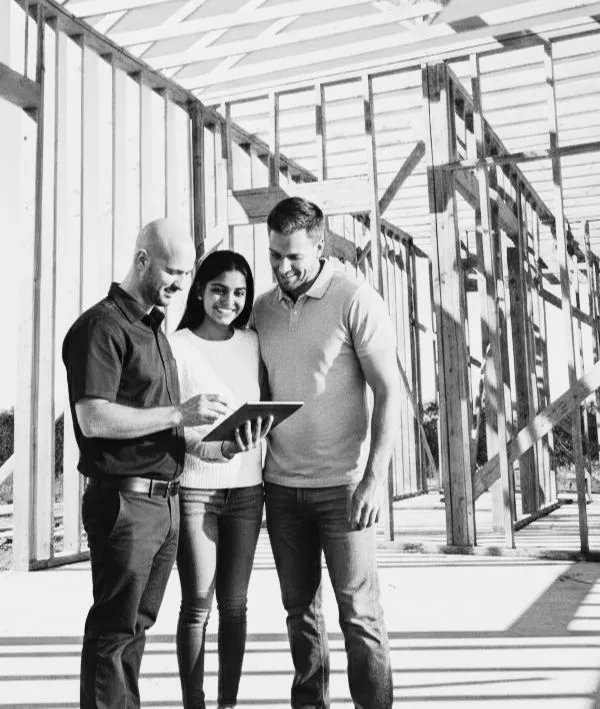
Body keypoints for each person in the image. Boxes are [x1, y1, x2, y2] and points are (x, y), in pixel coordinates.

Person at [62, 219, 231, 709]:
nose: (182, 285)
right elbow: (94, 418)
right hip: (126, 502)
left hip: (164, 502)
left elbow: (158, 422)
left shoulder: (153, 328)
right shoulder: (102, 327)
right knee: (115, 631)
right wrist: (181, 412)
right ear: (141, 260)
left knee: (135, 627)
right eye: (173, 272)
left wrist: (209, 446)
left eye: (186, 274)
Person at [253, 197, 400, 709]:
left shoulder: (355, 298)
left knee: (359, 615)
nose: (282, 267)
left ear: (319, 244)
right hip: (283, 488)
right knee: (300, 614)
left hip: (344, 488)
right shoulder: (263, 310)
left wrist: (373, 480)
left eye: (292, 256)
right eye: (274, 255)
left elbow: (389, 391)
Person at [169, 250, 271, 709]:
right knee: (197, 607)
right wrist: (217, 448)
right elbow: (173, 428)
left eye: (239, 293)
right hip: (195, 491)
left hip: (248, 491)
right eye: (219, 290)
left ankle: (227, 704)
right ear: (199, 291)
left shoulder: (251, 343)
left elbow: (264, 402)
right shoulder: (176, 345)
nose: (229, 301)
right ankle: (196, 704)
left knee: (235, 605)